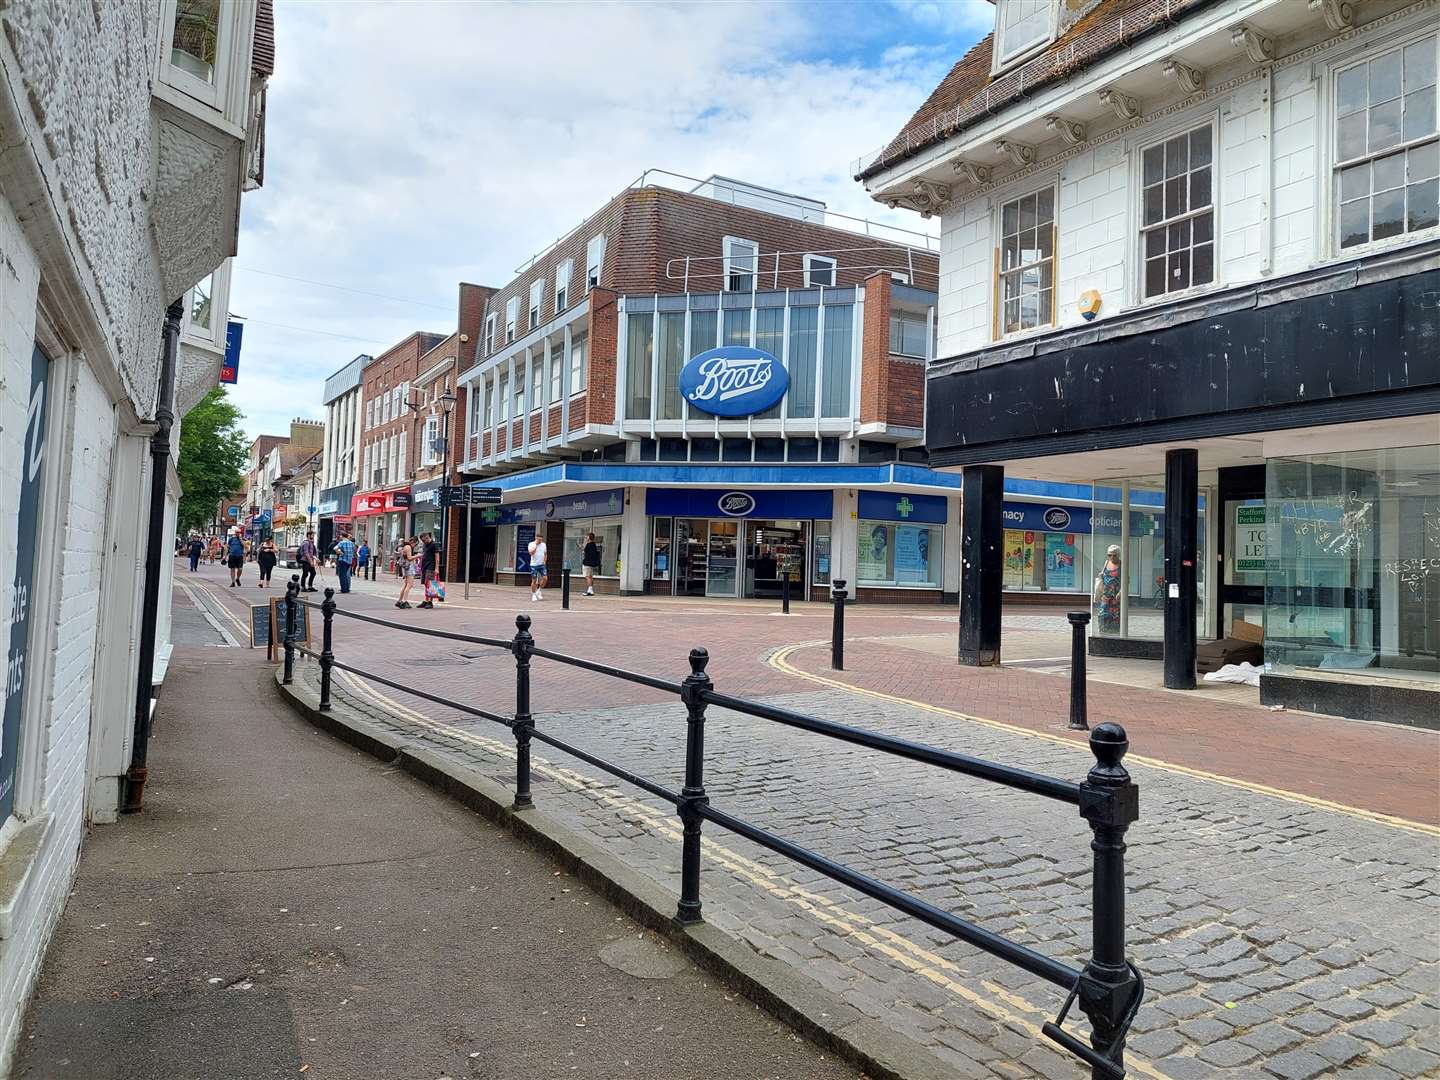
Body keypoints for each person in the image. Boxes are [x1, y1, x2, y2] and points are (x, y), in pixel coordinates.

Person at [1093, 544, 1122, 635]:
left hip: (1116, 595)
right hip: (1105, 594)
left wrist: (1121, 592)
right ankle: (1103, 631)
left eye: (1114, 555)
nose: (1112, 557)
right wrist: (1101, 576)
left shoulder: (1122, 564)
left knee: (1115, 614)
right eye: (1109, 555)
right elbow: (1103, 574)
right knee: (1103, 612)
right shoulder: (1106, 563)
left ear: (1118, 555)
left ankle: (1115, 632)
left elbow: (1126, 580)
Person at [417, 532, 440, 609]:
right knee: (426, 584)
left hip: (431, 566)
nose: (424, 542)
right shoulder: (424, 545)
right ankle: (426, 600)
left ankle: (430, 601)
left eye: (424, 540)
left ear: (427, 537)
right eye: (422, 540)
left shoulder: (434, 545)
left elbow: (437, 557)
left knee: (430, 584)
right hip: (424, 567)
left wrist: (436, 568)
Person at [394, 536, 417, 609]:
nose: (415, 546)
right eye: (415, 544)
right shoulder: (408, 547)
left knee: (405, 584)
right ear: (414, 542)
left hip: (406, 567)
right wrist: (418, 556)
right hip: (409, 567)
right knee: (409, 585)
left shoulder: (405, 546)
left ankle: (400, 601)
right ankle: (405, 601)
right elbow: (409, 558)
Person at [528, 533, 548, 602]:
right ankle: (533, 594)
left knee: (545, 578)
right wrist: (536, 546)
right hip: (534, 565)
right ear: (536, 538)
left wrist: (544, 561)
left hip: (541, 565)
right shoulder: (531, 544)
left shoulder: (544, 545)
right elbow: (531, 553)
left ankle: (539, 591)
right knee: (534, 580)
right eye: (538, 539)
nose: (540, 541)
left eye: (541, 539)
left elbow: (545, 554)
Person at [581, 532, 600, 597]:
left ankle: (590, 590)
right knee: (590, 576)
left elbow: (584, 552)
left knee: (587, 576)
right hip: (592, 563)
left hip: (587, 563)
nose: (586, 537)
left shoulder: (588, 544)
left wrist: (584, 543)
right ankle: (590, 590)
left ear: (589, 537)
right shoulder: (594, 544)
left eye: (587, 537)